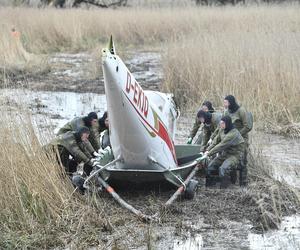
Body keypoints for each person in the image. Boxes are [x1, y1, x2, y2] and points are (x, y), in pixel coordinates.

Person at [204, 116, 244, 188]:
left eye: (222, 123)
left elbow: (221, 146)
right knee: (211, 166)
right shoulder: (222, 129)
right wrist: (207, 150)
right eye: (220, 123)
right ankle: (211, 185)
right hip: (226, 153)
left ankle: (224, 188)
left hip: (235, 155)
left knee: (223, 168)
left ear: (227, 123)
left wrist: (209, 154)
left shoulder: (233, 134)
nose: (221, 125)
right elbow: (215, 141)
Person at [223, 95, 252, 186]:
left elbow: (248, 126)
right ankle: (232, 182)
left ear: (231, 102)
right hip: (231, 141)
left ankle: (243, 184)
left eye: (226, 102)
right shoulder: (226, 112)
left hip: (242, 140)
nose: (224, 104)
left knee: (242, 162)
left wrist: (238, 135)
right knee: (231, 160)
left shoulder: (241, 111)